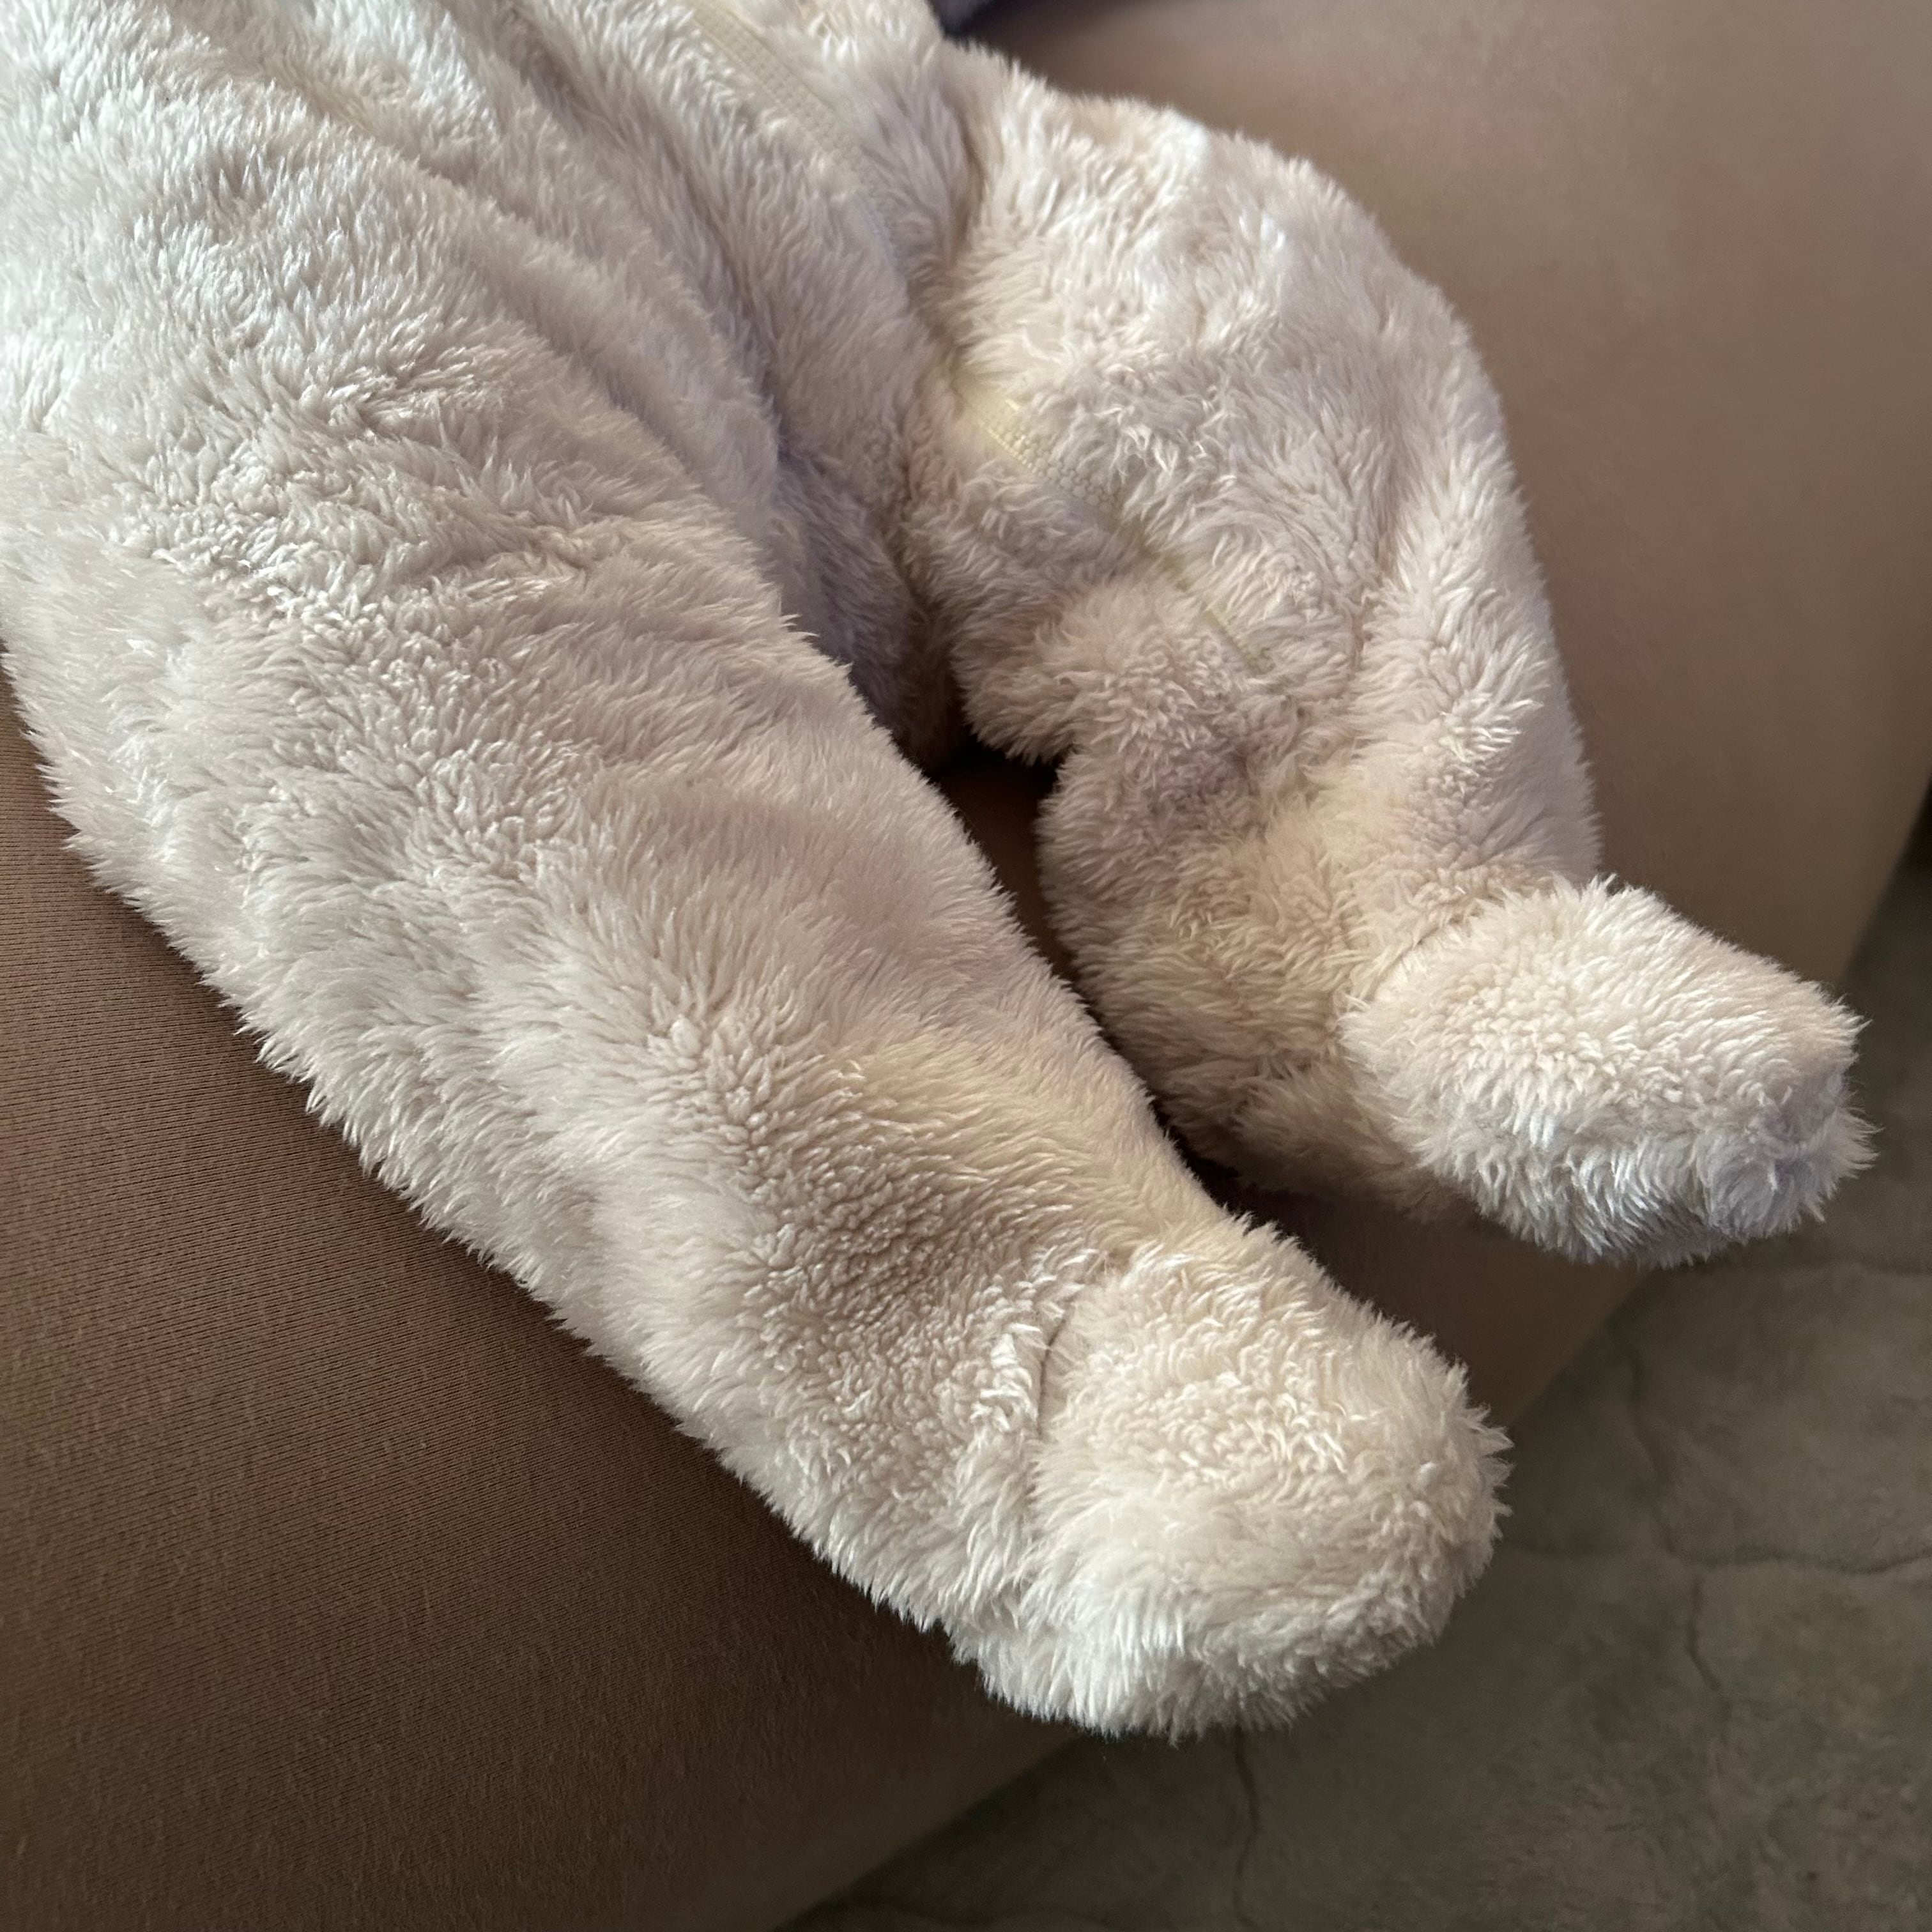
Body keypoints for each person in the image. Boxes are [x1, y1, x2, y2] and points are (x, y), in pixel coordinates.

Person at [5, 3, 1928, 1927]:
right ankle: (1026, 1356)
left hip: (786, 96)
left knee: (1234, 299)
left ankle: (1408, 932)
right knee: (350, 542)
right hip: (198, 181)